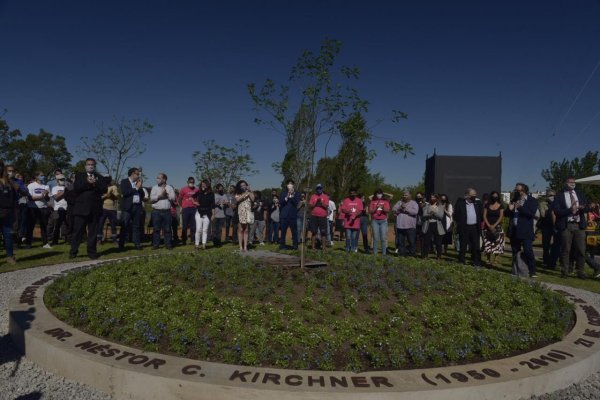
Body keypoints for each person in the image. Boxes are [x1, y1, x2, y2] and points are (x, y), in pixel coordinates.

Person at [69, 158, 108, 259]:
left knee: (93, 232)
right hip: (81, 208)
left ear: (95, 166)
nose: (90, 166)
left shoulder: (100, 177)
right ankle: (73, 251)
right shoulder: (80, 176)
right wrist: (87, 183)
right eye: (88, 164)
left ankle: (91, 252)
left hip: (95, 209)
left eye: (92, 164)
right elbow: (77, 188)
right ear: (85, 166)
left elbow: (104, 189)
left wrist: (94, 183)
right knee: (77, 232)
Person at [553, 177, 590, 279]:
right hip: (566, 225)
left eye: (574, 182)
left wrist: (583, 208)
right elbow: (557, 211)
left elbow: (587, 207)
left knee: (581, 250)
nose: (573, 184)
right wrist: (570, 210)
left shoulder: (580, 194)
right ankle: (565, 271)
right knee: (566, 249)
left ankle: (580, 271)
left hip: (579, 225)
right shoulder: (559, 196)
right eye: (570, 182)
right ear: (565, 183)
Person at [505, 183, 538, 277]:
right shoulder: (514, 200)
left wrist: (520, 208)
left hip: (525, 230)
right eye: (515, 190)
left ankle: (532, 271)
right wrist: (509, 209)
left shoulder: (532, 200)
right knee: (515, 251)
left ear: (523, 191)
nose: (516, 192)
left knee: (528, 251)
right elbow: (506, 214)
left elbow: (531, 214)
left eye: (518, 190)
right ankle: (516, 270)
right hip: (514, 230)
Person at [454, 188, 483, 267]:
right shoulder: (460, 203)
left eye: (475, 195)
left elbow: (481, 215)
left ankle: (476, 261)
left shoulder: (478, 203)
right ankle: (461, 260)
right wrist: (460, 223)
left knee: (475, 245)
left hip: (474, 227)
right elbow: (456, 215)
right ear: (467, 196)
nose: (474, 197)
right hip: (464, 228)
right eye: (472, 195)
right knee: (463, 245)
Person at [118, 168, 145, 250]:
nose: (138, 176)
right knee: (124, 225)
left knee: (136, 226)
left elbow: (142, 195)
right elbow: (125, 193)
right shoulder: (124, 181)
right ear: (132, 174)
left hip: (137, 207)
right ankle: (121, 244)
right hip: (128, 207)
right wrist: (136, 188)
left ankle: (137, 244)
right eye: (137, 174)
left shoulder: (138, 183)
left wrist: (140, 187)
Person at [150, 172, 176, 250]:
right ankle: (156, 245)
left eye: (159, 178)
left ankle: (168, 245)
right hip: (156, 211)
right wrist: (160, 196)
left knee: (167, 229)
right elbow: (151, 198)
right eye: (157, 178)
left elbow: (173, 198)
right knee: (156, 229)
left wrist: (167, 194)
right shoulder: (154, 188)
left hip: (167, 212)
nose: (157, 179)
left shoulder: (169, 188)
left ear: (164, 179)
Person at [26, 171, 51, 249]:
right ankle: (28, 243)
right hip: (32, 208)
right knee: (31, 226)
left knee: (44, 226)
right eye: (41, 175)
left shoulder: (46, 186)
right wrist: (41, 196)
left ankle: (45, 243)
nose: (43, 177)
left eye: (43, 175)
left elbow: (47, 199)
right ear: (36, 177)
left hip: (43, 208)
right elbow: (30, 198)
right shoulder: (31, 185)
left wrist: (46, 195)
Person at [0, 160, 17, 264]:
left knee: (8, 235)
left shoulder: (10, 182)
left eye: (0, 166)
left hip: (8, 213)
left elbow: (14, 198)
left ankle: (10, 257)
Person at [538, 189, 560, 270]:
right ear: (547, 196)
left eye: (554, 195)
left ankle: (554, 260)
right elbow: (543, 214)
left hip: (556, 225)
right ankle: (546, 260)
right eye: (550, 195)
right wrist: (551, 209)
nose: (552, 197)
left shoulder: (558, 203)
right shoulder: (543, 204)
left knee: (557, 244)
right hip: (546, 225)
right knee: (546, 244)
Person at [392, 191, 419, 256]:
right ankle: (402, 254)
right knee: (401, 242)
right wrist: (400, 207)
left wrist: (406, 209)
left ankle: (412, 254)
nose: (405, 196)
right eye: (404, 195)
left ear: (410, 196)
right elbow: (393, 209)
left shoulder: (414, 203)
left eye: (406, 195)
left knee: (411, 241)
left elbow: (415, 212)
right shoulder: (399, 202)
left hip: (410, 226)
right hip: (400, 226)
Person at [482, 190, 505, 267]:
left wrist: (494, 225)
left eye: (496, 196)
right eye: (493, 196)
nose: (494, 197)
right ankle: (488, 259)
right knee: (488, 244)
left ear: (498, 197)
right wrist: (489, 225)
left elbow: (501, 216)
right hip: (488, 228)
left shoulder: (501, 205)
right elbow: (484, 216)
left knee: (497, 244)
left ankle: (495, 260)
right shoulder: (487, 205)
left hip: (497, 227)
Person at [421, 193, 445, 259]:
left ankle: (439, 256)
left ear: (437, 198)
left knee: (438, 242)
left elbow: (441, 216)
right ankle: (425, 255)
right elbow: (423, 215)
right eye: (431, 197)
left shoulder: (440, 206)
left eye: (434, 197)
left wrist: (435, 212)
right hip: (428, 224)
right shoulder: (426, 206)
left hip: (437, 225)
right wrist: (429, 214)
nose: (432, 198)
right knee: (426, 241)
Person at [279, 180, 301, 250]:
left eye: (291, 184)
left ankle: (295, 245)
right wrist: (287, 197)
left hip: (292, 215)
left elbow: (296, 203)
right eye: (288, 184)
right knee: (283, 231)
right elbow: (281, 203)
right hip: (284, 215)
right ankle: (282, 245)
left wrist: (291, 196)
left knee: (294, 231)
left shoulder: (297, 193)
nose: (289, 185)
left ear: (293, 185)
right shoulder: (283, 193)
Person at [368, 188, 391, 255]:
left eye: (380, 193)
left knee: (383, 238)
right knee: (375, 237)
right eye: (377, 193)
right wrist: (376, 208)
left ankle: (384, 254)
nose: (379, 195)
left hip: (383, 221)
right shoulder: (372, 201)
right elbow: (370, 211)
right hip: (375, 221)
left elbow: (388, 211)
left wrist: (383, 208)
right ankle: (375, 253)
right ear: (375, 194)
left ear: (382, 194)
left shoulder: (385, 201)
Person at [177, 177, 199, 246]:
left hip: (194, 209)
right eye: (190, 182)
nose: (191, 183)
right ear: (187, 182)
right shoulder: (183, 189)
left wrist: (196, 204)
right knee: (185, 226)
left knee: (193, 226)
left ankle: (193, 239)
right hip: (186, 209)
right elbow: (179, 199)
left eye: (193, 182)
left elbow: (198, 198)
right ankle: (184, 240)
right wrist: (182, 206)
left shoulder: (197, 189)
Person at [194, 179, 215, 250]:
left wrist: (213, 214)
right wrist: (195, 202)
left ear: (207, 185)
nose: (203, 185)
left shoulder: (211, 194)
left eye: (204, 184)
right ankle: (196, 244)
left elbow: (213, 205)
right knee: (198, 229)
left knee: (205, 230)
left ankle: (203, 245)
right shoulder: (199, 192)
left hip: (208, 214)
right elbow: (191, 197)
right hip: (199, 213)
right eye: (202, 184)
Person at [97, 178, 119, 244]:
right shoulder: (102, 187)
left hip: (112, 209)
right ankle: (99, 239)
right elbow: (99, 197)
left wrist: (111, 195)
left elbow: (117, 196)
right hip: (103, 208)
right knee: (100, 224)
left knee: (113, 225)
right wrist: (106, 195)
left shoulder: (114, 187)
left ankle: (114, 239)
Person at [234, 180, 254, 252]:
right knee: (240, 230)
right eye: (241, 185)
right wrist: (244, 194)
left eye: (244, 185)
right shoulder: (237, 193)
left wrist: (250, 191)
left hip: (248, 213)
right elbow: (238, 199)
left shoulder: (249, 192)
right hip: (240, 213)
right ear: (239, 187)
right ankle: (240, 247)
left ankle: (245, 246)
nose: (243, 186)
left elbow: (253, 199)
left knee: (246, 230)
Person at [341, 187, 363, 252]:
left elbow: (361, 211)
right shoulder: (346, 200)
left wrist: (356, 215)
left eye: (353, 193)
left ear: (356, 193)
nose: (352, 194)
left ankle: (353, 248)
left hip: (355, 222)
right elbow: (343, 209)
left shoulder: (359, 201)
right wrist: (347, 212)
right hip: (348, 222)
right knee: (348, 236)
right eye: (351, 193)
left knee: (353, 237)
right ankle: (347, 248)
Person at [308, 183, 329, 250]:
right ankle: (313, 247)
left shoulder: (325, 196)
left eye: (320, 188)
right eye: (318, 188)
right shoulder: (313, 196)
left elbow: (326, 206)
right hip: (314, 216)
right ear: (316, 189)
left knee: (323, 233)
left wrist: (321, 203)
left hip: (322, 217)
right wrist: (316, 203)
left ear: (322, 189)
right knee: (314, 232)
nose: (319, 190)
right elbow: (310, 206)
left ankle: (324, 248)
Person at [49, 174, 68, 246]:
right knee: (56, 225)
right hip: (57, 209)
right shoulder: (54, 188)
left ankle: (66, 239)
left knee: (65, 225)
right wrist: (64, 192)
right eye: (61, 179)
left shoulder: (66, 187)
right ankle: (54, 240)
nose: (62, 181)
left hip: (66, 208)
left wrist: (61, 193)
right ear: (57, 180)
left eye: (63, 179)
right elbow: (56, 198)